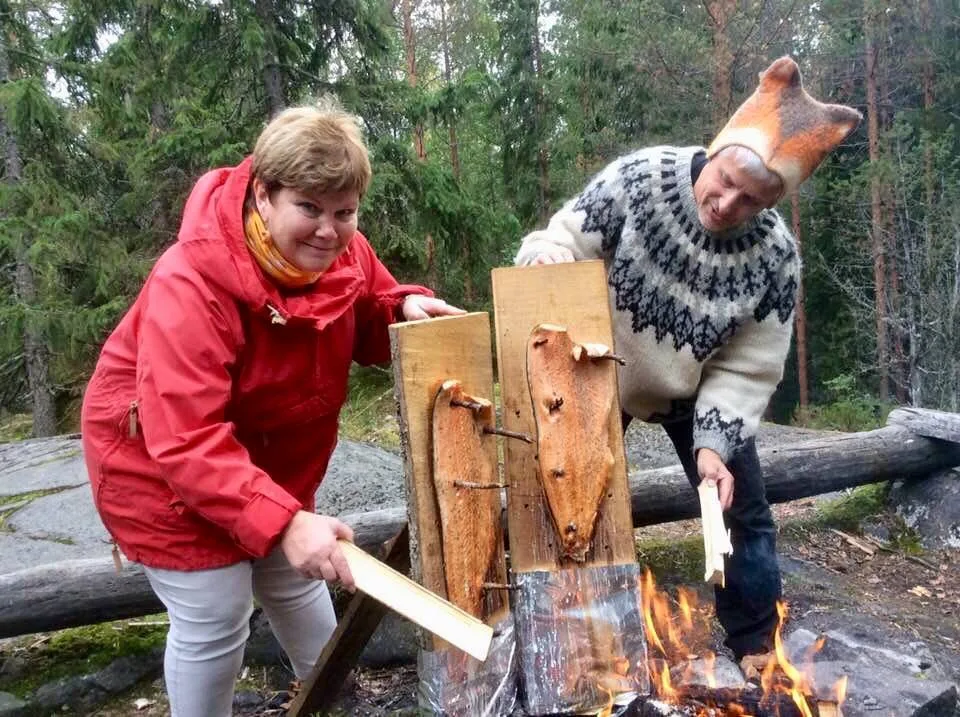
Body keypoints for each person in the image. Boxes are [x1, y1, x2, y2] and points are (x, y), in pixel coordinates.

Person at [81, 100, 463, 717]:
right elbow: (186, 438)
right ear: (263, 195)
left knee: (295, 574)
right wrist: (284, 522)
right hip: (157, 469)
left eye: (344, 212)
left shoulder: (346, 251)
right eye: (308, 208)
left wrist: (398, 312)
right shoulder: (192, 284)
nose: (328, 230)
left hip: (267, 461)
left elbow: (362, 305)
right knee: (216, 608)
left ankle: (330, 699)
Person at [515, 57, 861, 664]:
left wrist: (714, 446)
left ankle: (755, 643)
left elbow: (747, 367)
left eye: (751, 199)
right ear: (718, 147)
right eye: (725, 180)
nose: (727, 203)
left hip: (694, 393)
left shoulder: (774, 257)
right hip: (601, 372)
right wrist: (546, 260)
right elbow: (563, 236)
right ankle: (564, 640)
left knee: (743, 514)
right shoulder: (640, 180)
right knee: (564, 498)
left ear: (773, 201)